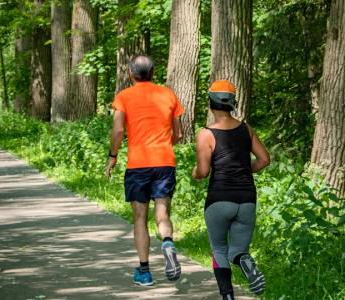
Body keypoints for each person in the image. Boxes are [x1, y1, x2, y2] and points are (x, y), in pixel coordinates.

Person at [105, 55, 184, 286]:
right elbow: (178, 134)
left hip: (138, 165)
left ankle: (145, 272)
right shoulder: (168, 94)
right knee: (162, 213)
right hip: (164, 163)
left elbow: (118, 131)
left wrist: (113, 155)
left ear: (131, 73)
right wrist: (165, 147)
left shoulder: (123, 97)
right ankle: (168, 242)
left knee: (140, 218)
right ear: (153, 72)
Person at [192, 80, 270, 299]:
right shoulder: (246, 129)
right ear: (232, 103)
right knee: (237, 251)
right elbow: (264, 160)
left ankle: (227, 295)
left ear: (211, 104)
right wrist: (245, 169)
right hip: (247, 199)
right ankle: (244, 261)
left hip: (219, 199)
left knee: (219, 250)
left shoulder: (206, 134)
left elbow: (204, 171)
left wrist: (195, 173)